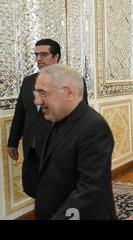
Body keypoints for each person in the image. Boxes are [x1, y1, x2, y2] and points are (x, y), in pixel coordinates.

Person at [7, 38, 88, 198]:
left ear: (56, 57)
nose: (38, 59)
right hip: (32, 148)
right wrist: (12, 142)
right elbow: (21, 113)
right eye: (36, 55)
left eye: (43, 54)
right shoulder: (28, 81)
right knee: (33, 188)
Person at [33, 64, 116, 220]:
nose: (37, 101)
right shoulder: (59, 118)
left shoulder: (93, 127)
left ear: (69, 92)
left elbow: (90, 190)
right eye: (36, 93)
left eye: (43, 93)